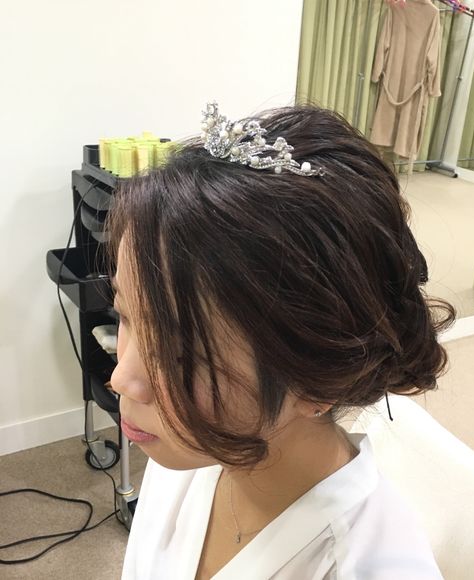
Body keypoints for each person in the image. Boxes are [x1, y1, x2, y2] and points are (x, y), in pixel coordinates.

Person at [107, 102, 455, 579]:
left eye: (180, 353)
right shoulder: (190, 454)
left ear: (314, 381)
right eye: (125, 315)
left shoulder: (370, 567)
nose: (121, 378)